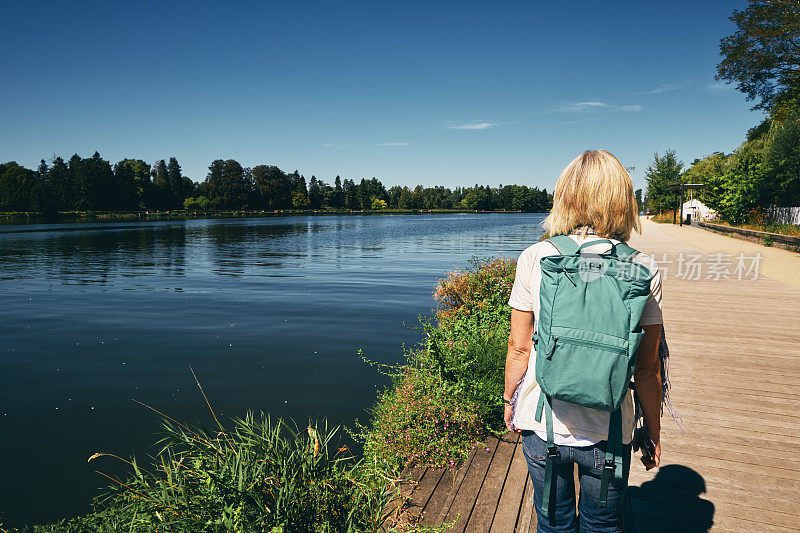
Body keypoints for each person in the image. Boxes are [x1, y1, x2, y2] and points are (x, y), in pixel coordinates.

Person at [503, 149, 663, 532]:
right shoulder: (642, 266)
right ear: (623, 201)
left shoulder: (536, 256)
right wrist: (652, 432)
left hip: (543, 422)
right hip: (609, 431)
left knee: (553, 523)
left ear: (565, 196)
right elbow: (647, 367)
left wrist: (509, 400)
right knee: (602, 526)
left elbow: (519, 348)